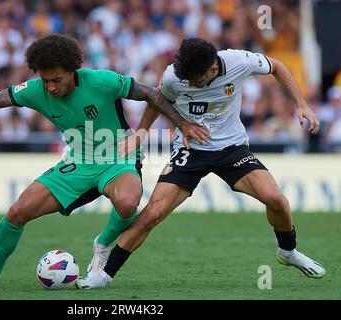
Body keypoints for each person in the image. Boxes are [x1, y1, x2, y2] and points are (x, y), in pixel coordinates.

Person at [0, 34, 200, 289]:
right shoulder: (35, 91)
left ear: (72, 70)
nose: (51, 87)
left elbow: (152, 93)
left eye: (56, 79)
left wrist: (162, 128)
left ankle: (103, 243)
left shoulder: (102, 81)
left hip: (118, 157)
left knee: (127, 202)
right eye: (45, 80)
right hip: (78, 162)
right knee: (17, 212)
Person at [76, 38, 326, 289]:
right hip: (190, 150)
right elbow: (157, 99)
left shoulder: (239, 61)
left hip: (232, 149)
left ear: (213, 70)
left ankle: (287, 252)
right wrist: (140, 135)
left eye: (194, 81)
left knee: (277, 200)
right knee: (152, 214)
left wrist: (301, 105)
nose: (188, 84)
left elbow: (278, 67)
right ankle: (104, 274)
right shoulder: (175, 75)